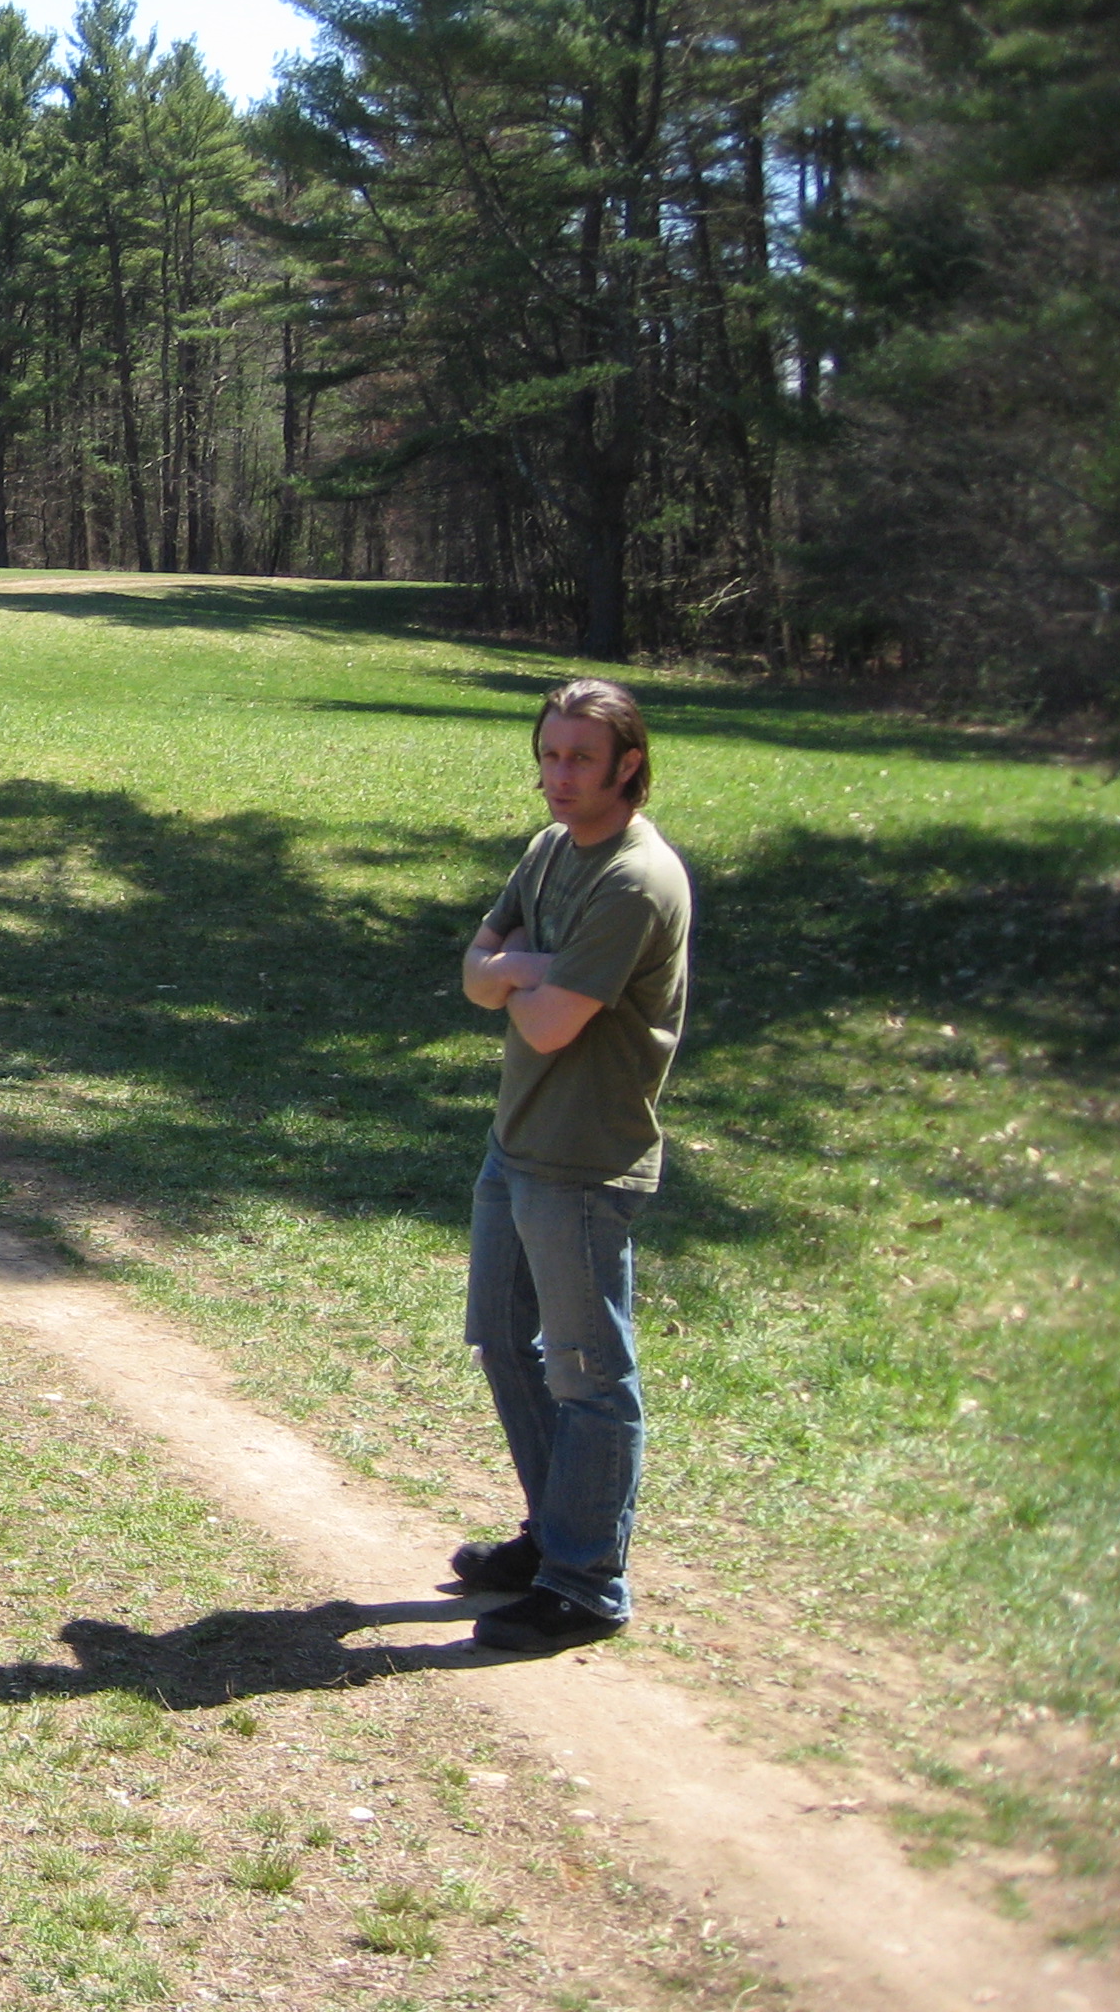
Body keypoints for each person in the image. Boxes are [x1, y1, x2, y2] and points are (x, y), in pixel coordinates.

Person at [452, 679, 694, 1654]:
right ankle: (552, 1538)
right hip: (516, 1146)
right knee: (506, 1343)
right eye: (549, 755)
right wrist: (518, 970)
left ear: (627, 765)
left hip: (585, 1164)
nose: (558, 777)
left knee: (590, 1374)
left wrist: (513, 972)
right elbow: (478, 976)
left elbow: (546, 1023)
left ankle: (586, 1583)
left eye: (580, 760)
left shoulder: (636, 879)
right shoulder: (551, 850)